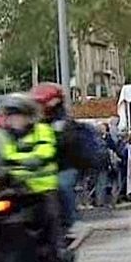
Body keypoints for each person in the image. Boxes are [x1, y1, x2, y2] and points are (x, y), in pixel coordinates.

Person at [0, 93, 64, 262]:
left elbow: (46, 150)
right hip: (18, 185)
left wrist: (33, 158)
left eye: (17, 115)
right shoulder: (6, 136)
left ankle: (57, 252)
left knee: (48, 216)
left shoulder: (41, 130)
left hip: (42, 187)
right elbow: (4, 153)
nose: (13, 120)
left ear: (28, 115)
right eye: (10, 116)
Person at [31, 83, 78, 229]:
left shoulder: (64, 122)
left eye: (42, 103)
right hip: (40, 168)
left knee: (62, 185)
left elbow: (62, 144)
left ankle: (70, 222)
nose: (39, 107)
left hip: (64, 166)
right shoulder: (32, 122)